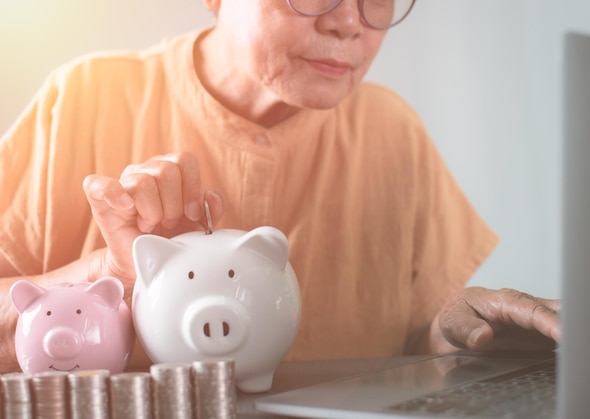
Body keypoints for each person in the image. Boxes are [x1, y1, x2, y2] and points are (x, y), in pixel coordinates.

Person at [0, 0, 559, 373]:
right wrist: (106, 274)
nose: (350, 23)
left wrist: (460, 327)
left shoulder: (394, 131)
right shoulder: (82, 97)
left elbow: (419, 345)